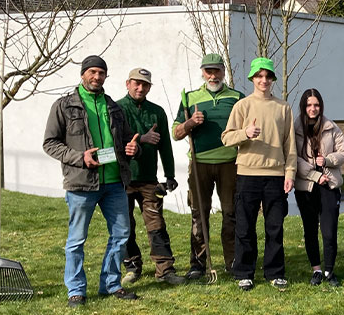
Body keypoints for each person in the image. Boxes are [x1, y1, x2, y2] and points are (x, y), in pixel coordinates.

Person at [42, 55, 141, 308]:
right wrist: (79, 157)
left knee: (121, 235)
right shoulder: (64, 106)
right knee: (76, 240)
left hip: (114, 182)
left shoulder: (113, 107)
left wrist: (133, 148)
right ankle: (75, 290)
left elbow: (128, 141)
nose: (97, 77)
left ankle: (111, 284)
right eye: (92, 72)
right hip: (80, 184)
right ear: (83, 74)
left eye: (101, 73)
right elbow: (50, 144)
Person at [221, 57, 296, 291]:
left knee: (275, 227)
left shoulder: (283, 108)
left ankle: (274, 272)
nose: (263, 80)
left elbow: (290, 145)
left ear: (273, 79)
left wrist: (290, 172)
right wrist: (245, 132)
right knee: (245, 227)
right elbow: (226, 137)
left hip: (275, 175)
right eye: (259, 76)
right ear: (253, 78)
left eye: (267, 76)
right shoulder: (242, 106)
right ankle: (244, 272)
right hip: (247, 174)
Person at [172, 53, 244, 280]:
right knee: (198, 214)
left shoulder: (237, 97)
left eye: (217, 71)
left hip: (229, 163)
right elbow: (175, 133)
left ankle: (232, 262)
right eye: (208, 71)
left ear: (224, 71)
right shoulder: (190, 98)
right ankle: (197, 265)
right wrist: (190, 123)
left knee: (231, 213)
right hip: (200, 162)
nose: (213, 76)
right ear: (202, 72)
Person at [116, 67, 186, 287]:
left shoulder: (157, 112)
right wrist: (142, 140)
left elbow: (165, 145)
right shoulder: (117, 109)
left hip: (148, 179)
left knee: (156, 225)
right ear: (127, 83)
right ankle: (132, 266)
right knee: (124, 225)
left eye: (145, 84)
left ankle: (165, 269)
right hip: (123, 179)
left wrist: (170, 174)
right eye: (136, 83)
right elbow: (115, 143)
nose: (140, 87)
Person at [293, 89, 344, 287]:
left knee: (329, 230)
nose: (313, 108)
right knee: (310, 229)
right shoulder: (295, 128)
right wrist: (315, 176)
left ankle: (329, 271)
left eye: (316, 105)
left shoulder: (332, 128)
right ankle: (316, 270)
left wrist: (329, 160)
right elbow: (293, 158)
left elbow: (343, 153)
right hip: (306, 186)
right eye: (309, 105)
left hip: (329, 185)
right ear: (303, 106)